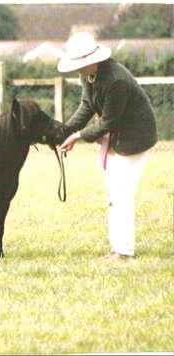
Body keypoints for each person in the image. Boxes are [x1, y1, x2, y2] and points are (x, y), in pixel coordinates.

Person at [57, 32, 157, 260]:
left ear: (93, 60)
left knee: (121, 194)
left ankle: (124, 251)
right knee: (113, 194)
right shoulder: (89, 75)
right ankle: (116, 248)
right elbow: (86, 105)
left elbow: (109, 121)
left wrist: (78, 136)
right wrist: (64, 131)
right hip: (117, 136)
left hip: (134, 139)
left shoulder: (115, 80)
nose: (77, 69)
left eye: (80, 64)